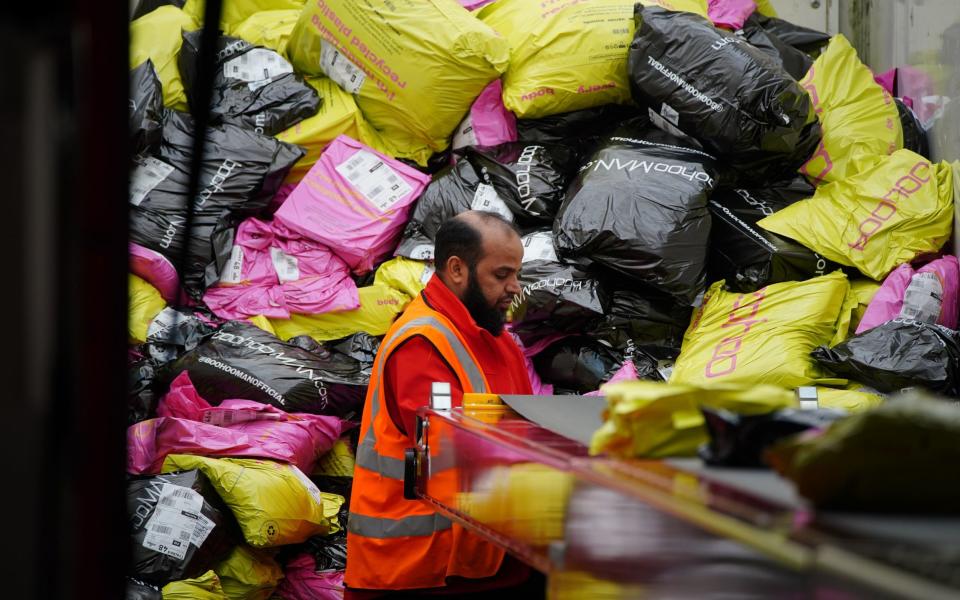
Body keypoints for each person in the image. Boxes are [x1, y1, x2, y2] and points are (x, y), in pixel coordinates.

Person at [344, 211, 537, 595]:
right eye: (502, 275)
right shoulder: (424, 344)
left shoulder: (495, 337)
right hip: (416, 570)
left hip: (477, 561)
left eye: (517, 274)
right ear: (456, 269)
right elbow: (450, 462)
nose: (515, 287)